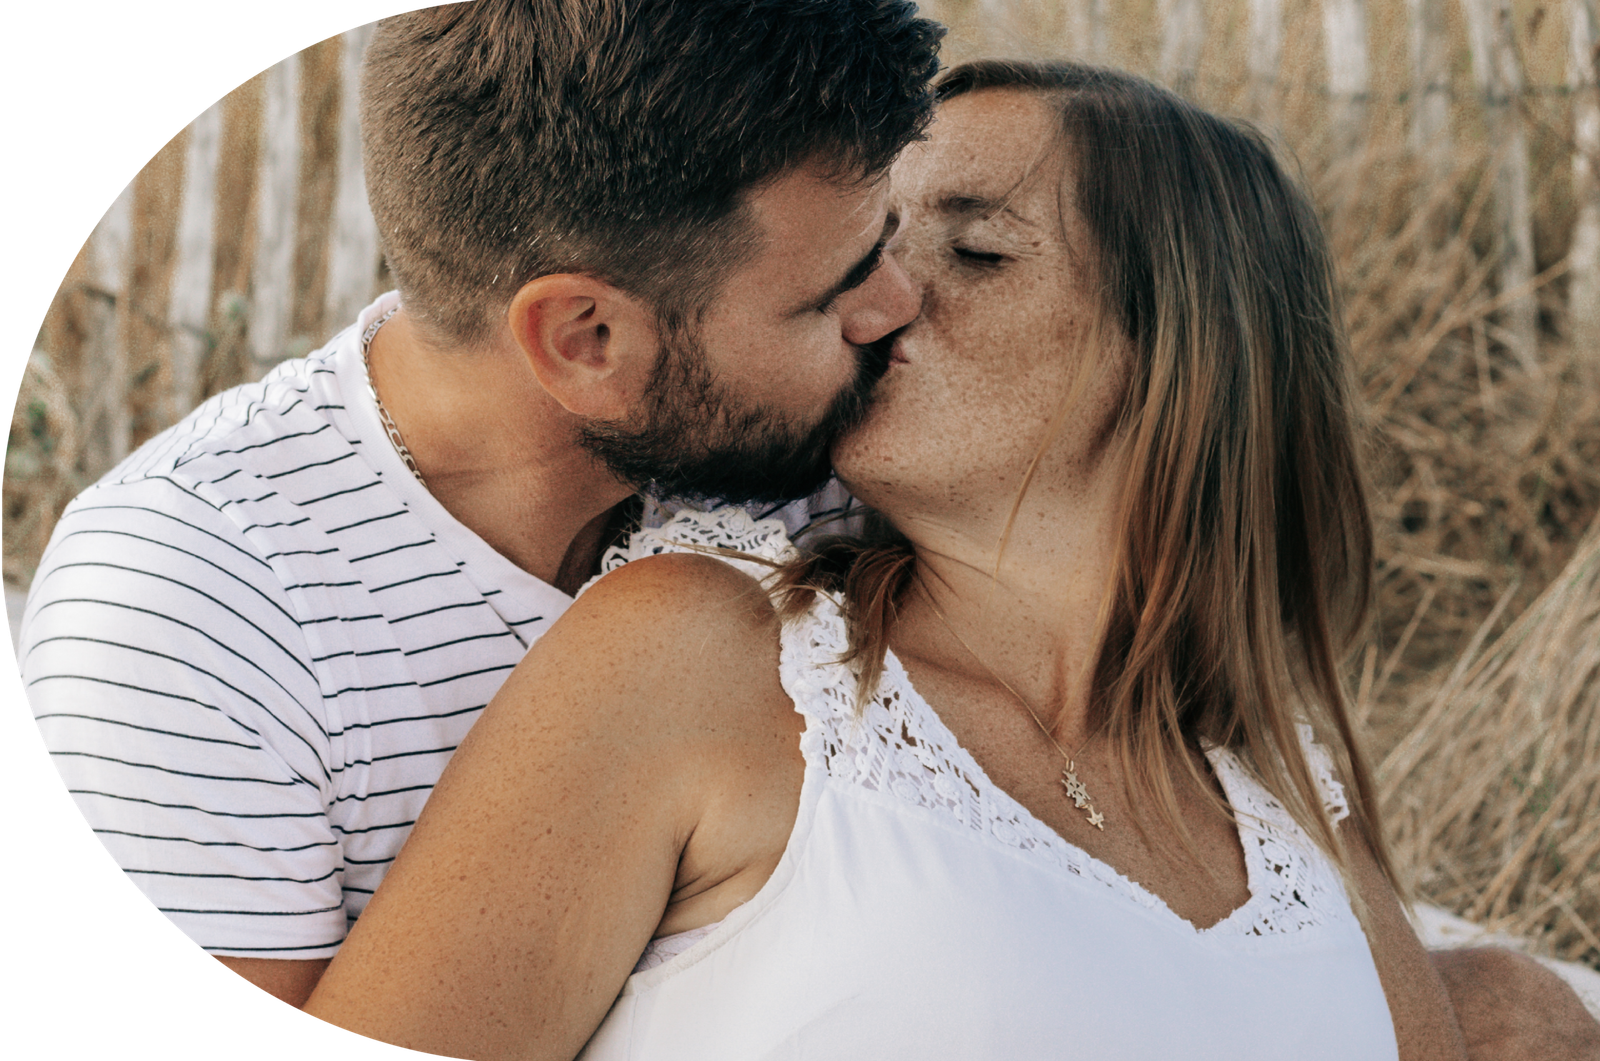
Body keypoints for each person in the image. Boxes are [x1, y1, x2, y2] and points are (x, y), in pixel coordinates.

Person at [300, 61, 1600, 1060]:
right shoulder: (702, 658)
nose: (874, 296)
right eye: (869, 240)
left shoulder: (1284, 772)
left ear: (1185, 356)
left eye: (975, 249)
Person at [20, 0, 941, 1009]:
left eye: (889, 238)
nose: (899, 304)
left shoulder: (811, 462)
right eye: (836, 287)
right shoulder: (195, 611)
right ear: (586, 339)